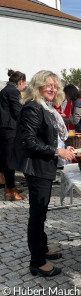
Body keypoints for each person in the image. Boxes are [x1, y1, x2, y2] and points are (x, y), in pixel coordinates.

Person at [10, 70, 75, 277]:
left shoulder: (45, 107)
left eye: (55, 86)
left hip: (44, 165)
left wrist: (63, 148)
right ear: (37, 86)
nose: (52, 89)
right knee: (37, 214)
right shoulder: (33, 107)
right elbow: (28, 141)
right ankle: (36, 262)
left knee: (42, 211)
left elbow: (47, 137)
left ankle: (43, 248)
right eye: (48, 85)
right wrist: (58, 151)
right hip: (36, 168)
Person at [0, 69, 26, 200]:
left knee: (6, 159)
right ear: (20, 82)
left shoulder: (5, 90)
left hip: (5, 129)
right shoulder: (13, 91)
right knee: (9, 160)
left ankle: (10, 187)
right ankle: (10, 191)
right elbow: (18, 112)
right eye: (24, 85)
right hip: (9, 129)